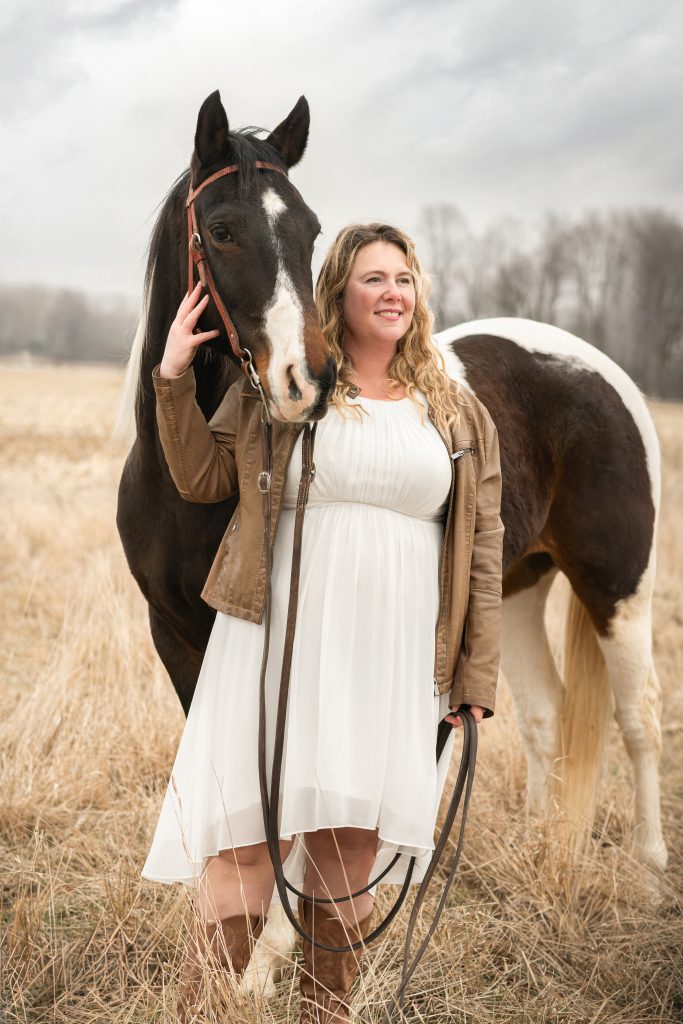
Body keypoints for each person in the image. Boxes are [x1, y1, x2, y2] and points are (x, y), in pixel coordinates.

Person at [142, 222, 504, 1023]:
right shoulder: (290, 387)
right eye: (374, 279)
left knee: (347, 859)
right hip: (279, 641)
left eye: (404, 279)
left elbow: (484, 548)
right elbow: (202, 478)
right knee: (243, 848)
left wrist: (475, 675)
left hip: (394, 654)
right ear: (337, 291)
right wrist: (171, 376)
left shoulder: (455, 410)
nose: (393, 295)